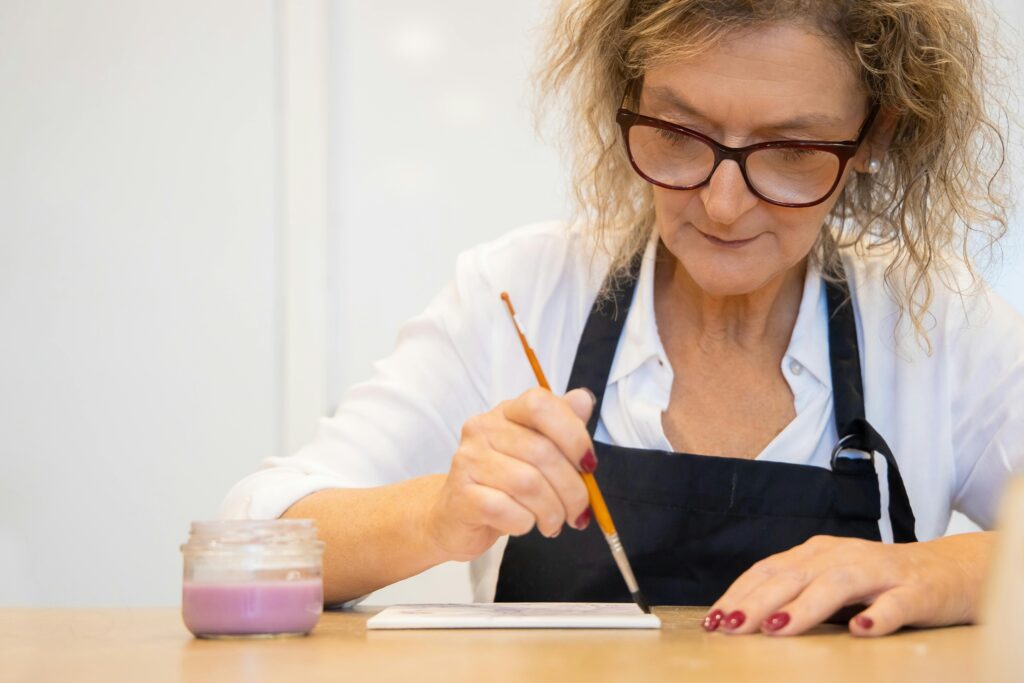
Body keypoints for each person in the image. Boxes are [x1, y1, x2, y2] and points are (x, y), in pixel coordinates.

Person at [222, 0, 1020, 637]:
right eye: (679, 134)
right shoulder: (523, 291)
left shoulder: (934, 320)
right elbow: (249, 542)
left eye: (789, 150)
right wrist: (437, 513)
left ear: (873, 137)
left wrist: (941, 571)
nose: (722, 201)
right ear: (627, 97)